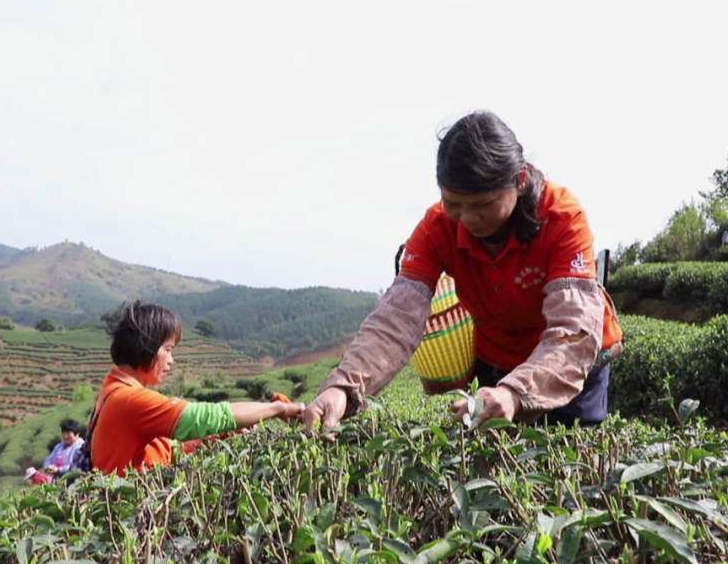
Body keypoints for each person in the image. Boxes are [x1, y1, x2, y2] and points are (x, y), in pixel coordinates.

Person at [303, 110, 624, 435]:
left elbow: (574, 329)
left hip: (568, 362)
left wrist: (515, 394)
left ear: (520, 180)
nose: (468, 218)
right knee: (494, 454)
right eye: (454, 203)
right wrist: (343, 387)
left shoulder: (561, 217)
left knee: (570, 451)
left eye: (483, 204)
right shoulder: (437, 227)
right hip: (497, 361)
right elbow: (395, 320)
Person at [90, 301, 306, 476]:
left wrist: (226, 433)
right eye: (168, 349)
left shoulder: (114, 392)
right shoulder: (129, 400)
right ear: (145, 347)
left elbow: (172, 449)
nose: (171, 360)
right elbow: (204, 417)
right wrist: (278, 409)